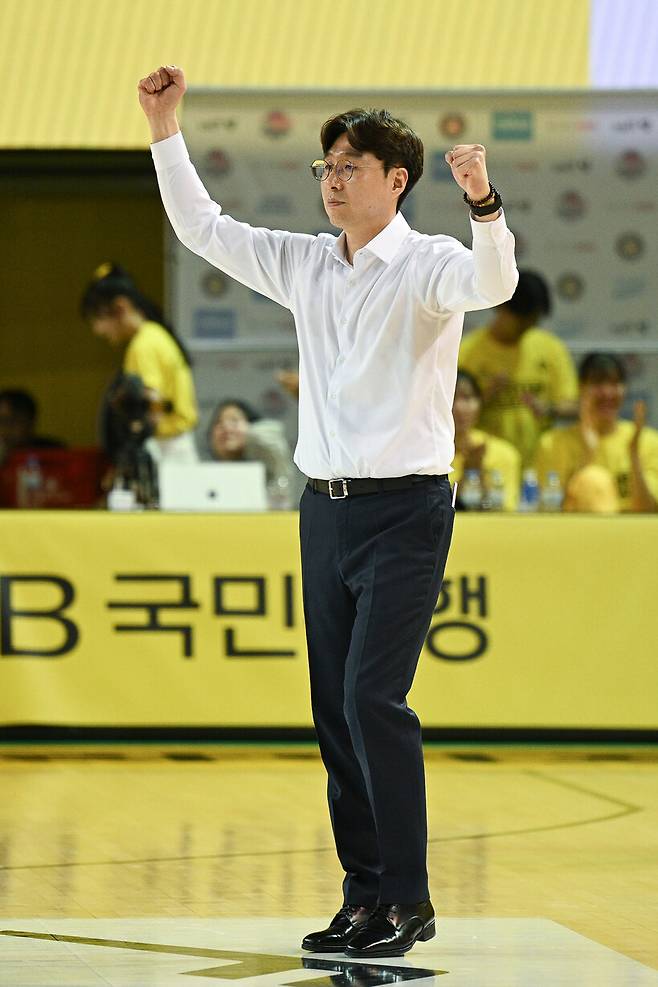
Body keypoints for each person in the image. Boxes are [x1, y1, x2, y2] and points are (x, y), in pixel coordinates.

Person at [138, 63, 517, 957]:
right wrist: (164, 128)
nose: (334, 180)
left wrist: (484, 203)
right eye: (327, 167)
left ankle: (410, 899)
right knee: (335, 709)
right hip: (325, 510)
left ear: (397, 178)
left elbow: (494, 284)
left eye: (351, 166)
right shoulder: (307, 262)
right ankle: (364, 895)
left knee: (372, 697)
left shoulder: (430, 264)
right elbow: (202, 227)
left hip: (407, 509)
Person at [81, 263, 199, 465]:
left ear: (120, 307)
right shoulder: (154, 335)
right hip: (173, 446)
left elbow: (150, 401)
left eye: (97, 319)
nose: (97, 330)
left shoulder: (144, 344)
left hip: (166, 451)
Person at [459, 270, 577, 466]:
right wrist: (483, 396)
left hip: (540, 464)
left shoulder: (551, 348)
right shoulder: (467, 352)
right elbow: (445, 413)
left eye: (533, 321)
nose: (526, 327)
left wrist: (549, 409)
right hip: (488, 463)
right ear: (500, 306)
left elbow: (574, 406)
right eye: (521, 320)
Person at [535, 353, 658, 513]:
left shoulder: (647, 442)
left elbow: (648, 511)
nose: (607, 393)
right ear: (580, 388)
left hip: (631, 528)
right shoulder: (552, 444)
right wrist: (588, 453)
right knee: (592, 479)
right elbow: (551, 513)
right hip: (578, 528)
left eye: (614, 383)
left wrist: (634, 455)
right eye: (598, 383)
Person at [208, 398, 295, 509]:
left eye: (234, 421)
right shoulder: (203, 474)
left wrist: (249, 434)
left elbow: (271, 437)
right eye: (219, 423)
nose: (226, 427)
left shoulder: (272, 465)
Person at [452, 370, 520, 511]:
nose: (459, 408)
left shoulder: (505, 453)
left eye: (467, 398)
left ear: (480, 403)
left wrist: (477, 474)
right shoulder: (426, 454)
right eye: (452, 398)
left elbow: (505, 510)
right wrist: (467, 473)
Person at [0, 389, 65, 462]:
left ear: (30, 421)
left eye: (11, 421)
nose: (4, 429)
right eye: (2, 422)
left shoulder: (53, 451)